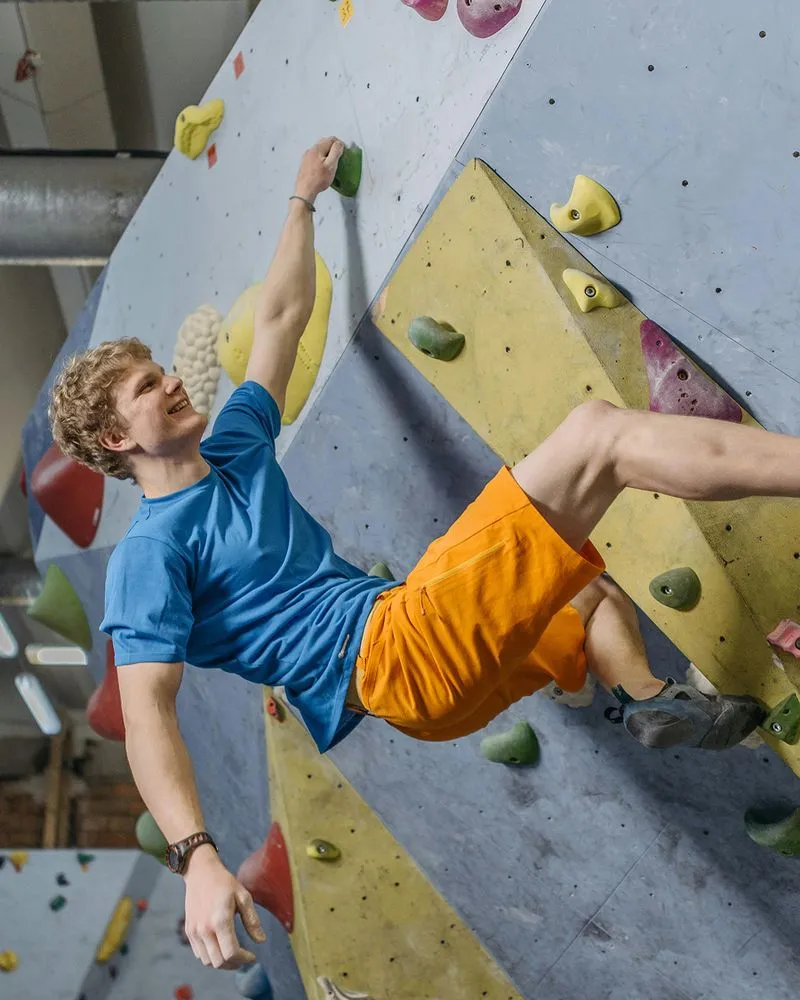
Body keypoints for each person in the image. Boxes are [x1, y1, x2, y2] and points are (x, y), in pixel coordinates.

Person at [49, 135, 789, 972]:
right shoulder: (150, 552)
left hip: (420, 695)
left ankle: (647, 697)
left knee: (580, 586)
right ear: (117, 438)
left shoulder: (237, 447)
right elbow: (146, 710)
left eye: (158, 369)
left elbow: (284, 320)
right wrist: (197, 856)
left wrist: (302, 200)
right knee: (598, 438)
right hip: (393, 652)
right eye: (147, 388)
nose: (170, 382)